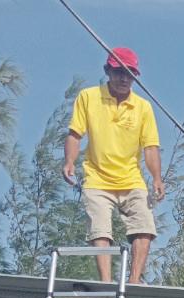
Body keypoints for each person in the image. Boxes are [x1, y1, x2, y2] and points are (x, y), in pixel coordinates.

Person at [62, 47, 165, 284]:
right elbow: (75, 133)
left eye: (130, 73)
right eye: (119, 72)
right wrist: (69, 161)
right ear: (108, 70)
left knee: (145, 225)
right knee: (100, 229)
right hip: (97, 178)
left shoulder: (143, 107)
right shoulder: (88, 97)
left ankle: (134, 280)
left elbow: (150, 147)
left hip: (131, 179)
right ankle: (106, 282)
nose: (124, 78)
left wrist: (157, 178)